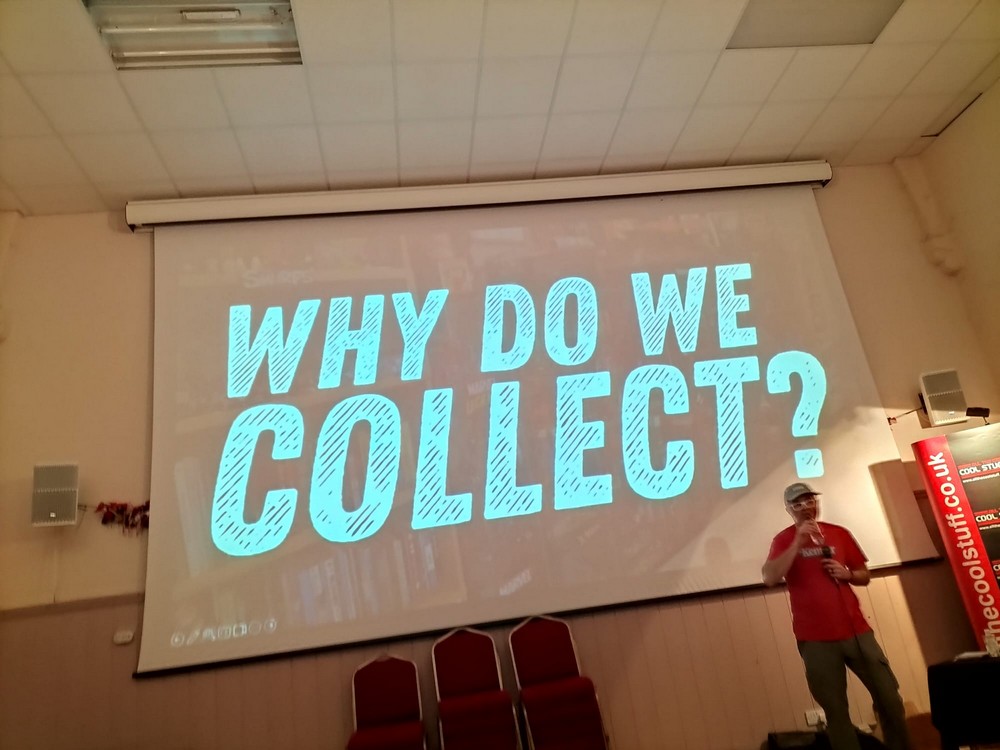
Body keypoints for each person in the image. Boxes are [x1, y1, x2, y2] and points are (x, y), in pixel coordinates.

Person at [762, 482, 910, 750]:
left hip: (857, 633)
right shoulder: (783, 540)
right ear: (788, 510)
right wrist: (797, 542)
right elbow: (770, 577)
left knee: (889, 698)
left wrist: (848, 574)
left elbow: (864, 575)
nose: (806, 507)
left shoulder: (839, 533)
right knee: (836, 711)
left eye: (810, 501)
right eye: (798, 504)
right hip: (815, 640)